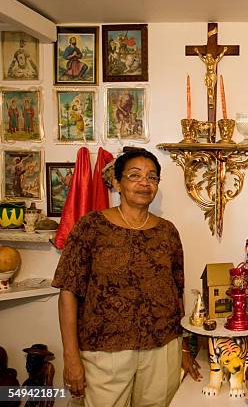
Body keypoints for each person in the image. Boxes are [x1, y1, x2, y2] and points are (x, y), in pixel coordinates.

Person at [52, 148, 201, 407]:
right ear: (117, 183)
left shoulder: (167, 232)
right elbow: (68, 291)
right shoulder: (91, 227)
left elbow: (177, 293)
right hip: (104, 353)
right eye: (135, 175)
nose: (144, 183)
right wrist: (71, 356)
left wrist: (184, 348)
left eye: (152, 177)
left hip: (162, 349)